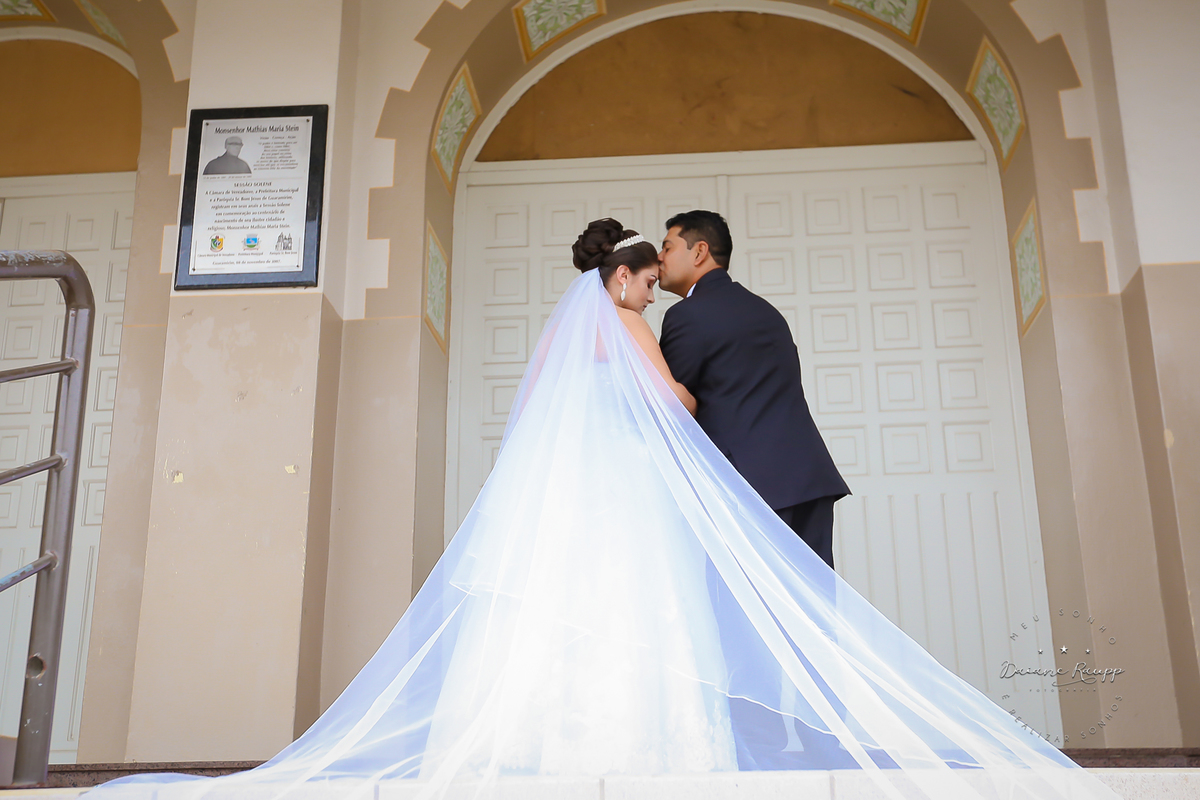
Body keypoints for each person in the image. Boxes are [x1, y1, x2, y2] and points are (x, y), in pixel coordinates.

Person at [90, 219, 1120, 800]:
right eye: (647, 274)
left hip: (613, 492)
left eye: (666, 266)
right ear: (626, 276)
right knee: (649, 603)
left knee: (589, 605)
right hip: (660, 489)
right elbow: (671, 402)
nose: (655, 286)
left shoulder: (598, 330)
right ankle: (729, 742)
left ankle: (574, 739)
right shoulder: (641, 324)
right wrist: (679, 397)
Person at [658, 210, 848, 570]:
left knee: (744, 601)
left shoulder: (688, 314)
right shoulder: (765, 310)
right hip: (808, 477)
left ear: (699, 251)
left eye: (667, 247)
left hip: (750, 486)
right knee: (811, 597)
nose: (659, 257)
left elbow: (672, 404)